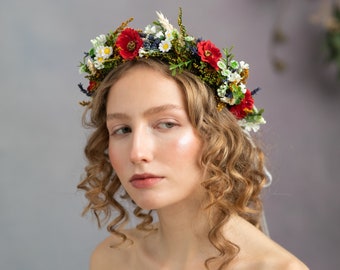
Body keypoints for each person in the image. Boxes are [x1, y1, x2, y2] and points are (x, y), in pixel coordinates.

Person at [77, 9, 308, 270]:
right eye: (122, 129)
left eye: (166, 124)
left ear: (217, 135)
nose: (137, 152)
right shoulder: (111, 259)